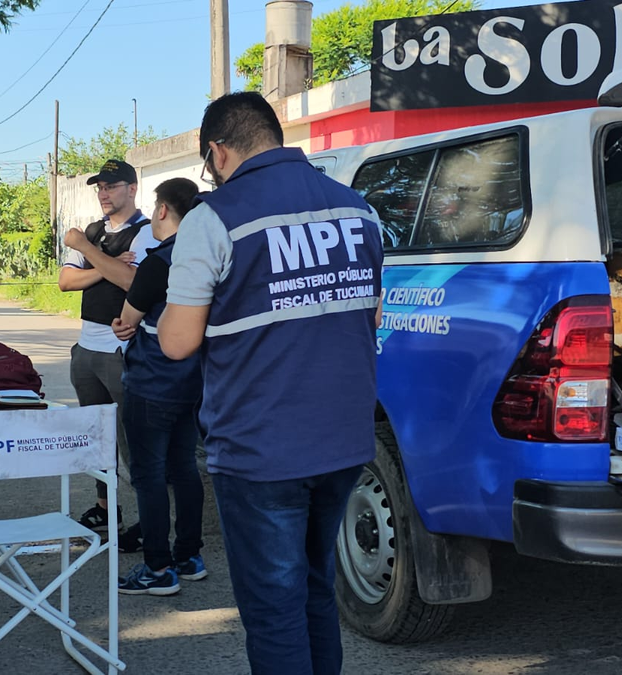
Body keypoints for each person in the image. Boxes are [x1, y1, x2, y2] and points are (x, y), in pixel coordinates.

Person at [158, 92, 385, 674]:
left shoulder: (214, 218)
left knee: (273, 610)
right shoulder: (358, 209)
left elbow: (177, 342)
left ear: (217, 152)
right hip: (343, 441)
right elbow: (371, 315)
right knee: (315, 588)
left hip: (261, 449)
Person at [110, 177, 206, 596]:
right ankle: (189, 556)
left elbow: (126, 320)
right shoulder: (206, 257)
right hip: (193, 382)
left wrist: (124, 325)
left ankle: (157, 568)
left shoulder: (160, 262)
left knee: (148, 474)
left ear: (163, 210)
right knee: (184, 467)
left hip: (152, 382)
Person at [58, 158, 158, 534]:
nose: (103, 193)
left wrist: (88, 252)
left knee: (133, 440)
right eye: (100, 187)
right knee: (96, 438)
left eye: (111, 186)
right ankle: (106, 507)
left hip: (122, 350)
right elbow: (66, 282)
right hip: (87, 347)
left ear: (132, 189)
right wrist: (108, 265)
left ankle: (150, 520)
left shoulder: (146, 232)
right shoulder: (94, 231)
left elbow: (133, 282)